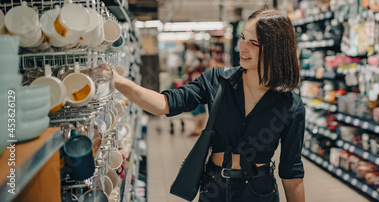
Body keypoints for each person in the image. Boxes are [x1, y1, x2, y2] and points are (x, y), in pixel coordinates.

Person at [98, 9, 305, 202]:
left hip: (259, 191)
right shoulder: (218, 80)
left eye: (254, 43)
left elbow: (291, 173)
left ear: (275, 50)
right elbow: (164, 104)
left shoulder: (290, 105)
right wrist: (118, 80)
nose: (242, 47)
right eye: (242, 37)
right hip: (215, 187)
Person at [184, 41, 208, 137]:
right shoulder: (203, 56)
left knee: (194, 105)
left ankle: (197, 128)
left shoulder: (193, 56)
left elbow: (189, 68)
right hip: (203, 82)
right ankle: (202, 127)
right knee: (202, 106)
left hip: (195, 83)